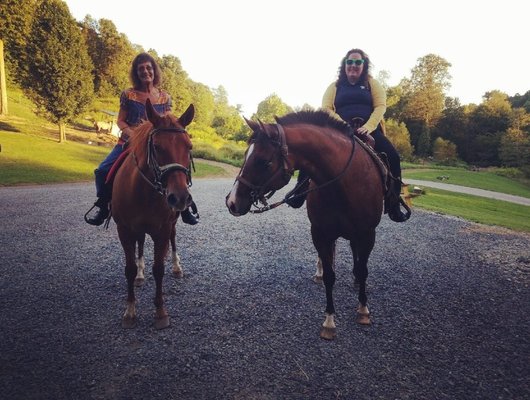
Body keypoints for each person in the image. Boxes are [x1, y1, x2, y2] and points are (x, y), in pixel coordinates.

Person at [287, 48, 409, 222]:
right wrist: (342, 125)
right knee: (313, 151)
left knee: (393, 157)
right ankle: (299, 191)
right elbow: (326, 108)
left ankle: (393, 203)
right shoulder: (335, 86)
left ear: (364, 66)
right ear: (344, 65)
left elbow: (381, 106)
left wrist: (368, 126)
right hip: (339, 131)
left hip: (368, 130)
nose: (353, 65)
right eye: (349, 62)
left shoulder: (372, 84)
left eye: (358, 62)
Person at [85, 52, 199, 226]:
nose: (145, 71)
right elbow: (121, 120)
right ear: (136, 73)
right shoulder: (128, 94)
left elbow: (168, 121)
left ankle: (184, 207)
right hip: (128, 143)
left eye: (149, 67)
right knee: (102, 171)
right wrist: (132, 134)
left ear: (154, 70)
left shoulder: (164, 97)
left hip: (156, 144)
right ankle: (103, 205)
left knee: (177, 169)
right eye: (141, 69)